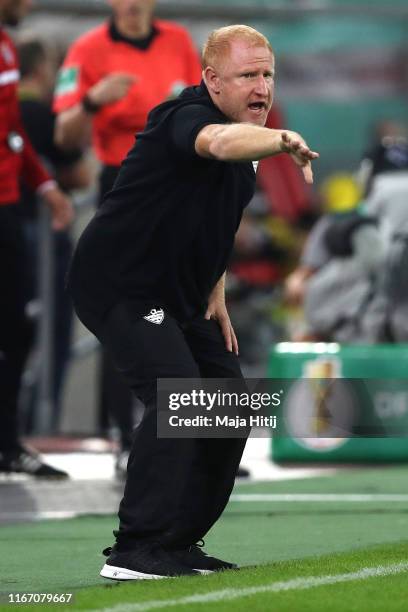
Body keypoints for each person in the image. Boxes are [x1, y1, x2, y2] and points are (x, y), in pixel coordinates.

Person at [68, 25, 318, 579]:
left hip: (182, 294)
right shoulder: (185, 117)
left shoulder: (249, 138)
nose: (262, 86)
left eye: (268, 74)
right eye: (248, 75)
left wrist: (216, 288)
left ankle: (177, 543)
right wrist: (281, 139)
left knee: (229, 404)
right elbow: (217, 144)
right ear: (212, 81)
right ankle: (135, 548)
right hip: (120, 285)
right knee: (180, 393)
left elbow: (215, 221)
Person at [53, 0, 202, 473]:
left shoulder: (178, 41)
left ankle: (203, 438)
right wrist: (94, 100)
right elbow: (64, 135)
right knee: (127, 311)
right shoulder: (88, 49)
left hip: (184, 181)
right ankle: (124, 439)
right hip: (124, 184)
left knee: (192, 304)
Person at [0, 0, 73, 478]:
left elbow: (13, 131)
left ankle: (7, 442)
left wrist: (45, 187)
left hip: (8, 205)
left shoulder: (7, 45)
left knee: (18, 327)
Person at [17, 38, 91, 431]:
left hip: (14, 229)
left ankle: (15, 430)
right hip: (39, 237)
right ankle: (37, 426)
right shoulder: (45, 117)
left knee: (15, 335)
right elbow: (81, 176)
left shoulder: (9, 112)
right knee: (52, 338)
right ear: (43, 70)